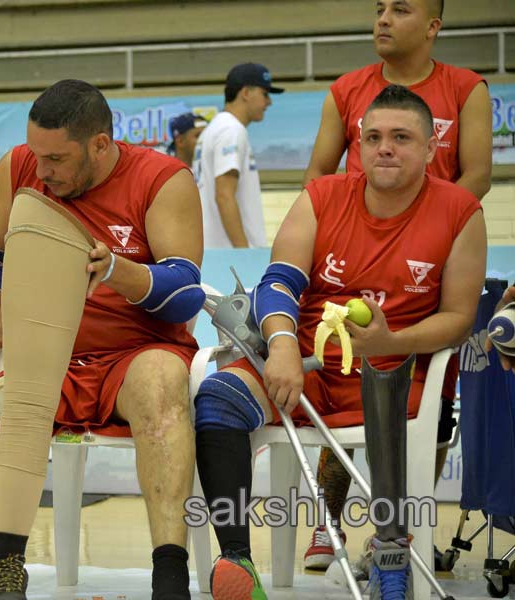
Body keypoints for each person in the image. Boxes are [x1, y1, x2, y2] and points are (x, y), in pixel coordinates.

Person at [193, 85, 485, 600]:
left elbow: (459, 319)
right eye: (372, 137)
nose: (384, 148)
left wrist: (391, 340)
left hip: (395, 373)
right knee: (218, 399)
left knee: (389, 394)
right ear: (357, 144)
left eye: (400, 137)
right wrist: (281, 344)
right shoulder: (322, 195)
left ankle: (390, 554)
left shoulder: (460, 211)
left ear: (430, 148)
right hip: (305, 365)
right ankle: (236, 561)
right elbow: (279, 281)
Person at [0, 79, 205, 600]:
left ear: (100, 143)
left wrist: (119, 271)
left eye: (57, 159)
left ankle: (170, 576)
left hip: (132, 353)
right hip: (48, 349)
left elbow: (186, 294)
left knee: (163, 382)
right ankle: (4, 564)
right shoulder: (19, 165)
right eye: (37, 155)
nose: (42, 171)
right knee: (16, 389)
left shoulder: (163, 179)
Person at [301, 0, 492, 569]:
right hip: (354, 266)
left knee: (432, 408)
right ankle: (325, 522)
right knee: (339, 378)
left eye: (400, 9)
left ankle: (405, 528)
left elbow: (477, 173)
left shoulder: (466, 87)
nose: (382, 18)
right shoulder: (345, 89)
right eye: (378, 8)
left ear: (433, 26)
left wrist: (431, 231)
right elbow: (319, 172)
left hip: (433, 269)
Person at [198, 63, 282, 249]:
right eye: (265, 94)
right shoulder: (231, 130)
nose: (269, 102)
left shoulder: (213, 129)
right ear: (246, 93)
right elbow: (224, 195)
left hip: (216, 250)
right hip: (230, 255)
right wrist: (243, 253)